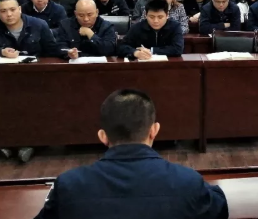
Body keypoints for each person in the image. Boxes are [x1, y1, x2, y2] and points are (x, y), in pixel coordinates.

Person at [33, 89, 228, 219]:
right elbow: (219, 209)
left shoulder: (68, 185)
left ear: (102, 136)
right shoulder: (188, 182)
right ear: (154, 130)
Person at [0, 0, 61, 164]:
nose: (9, 14)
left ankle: (28, 144)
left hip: (35, 79)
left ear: (20, 9)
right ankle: (6, 142)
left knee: (31, 105)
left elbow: (52, 50)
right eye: (3, 11)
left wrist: (66, 53)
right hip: (4, 79)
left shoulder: (38, 25)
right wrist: (0, 51)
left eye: (12, 10)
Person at [117, 0, 185, 58]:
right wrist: (135, 52)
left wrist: (151, 50)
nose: (156, 21)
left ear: (167, 15)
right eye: (151, 17)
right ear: (146, 15)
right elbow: (121, 47)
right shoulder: (137, 27)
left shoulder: (175, 27)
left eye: (160, 17)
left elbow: (178, 49)